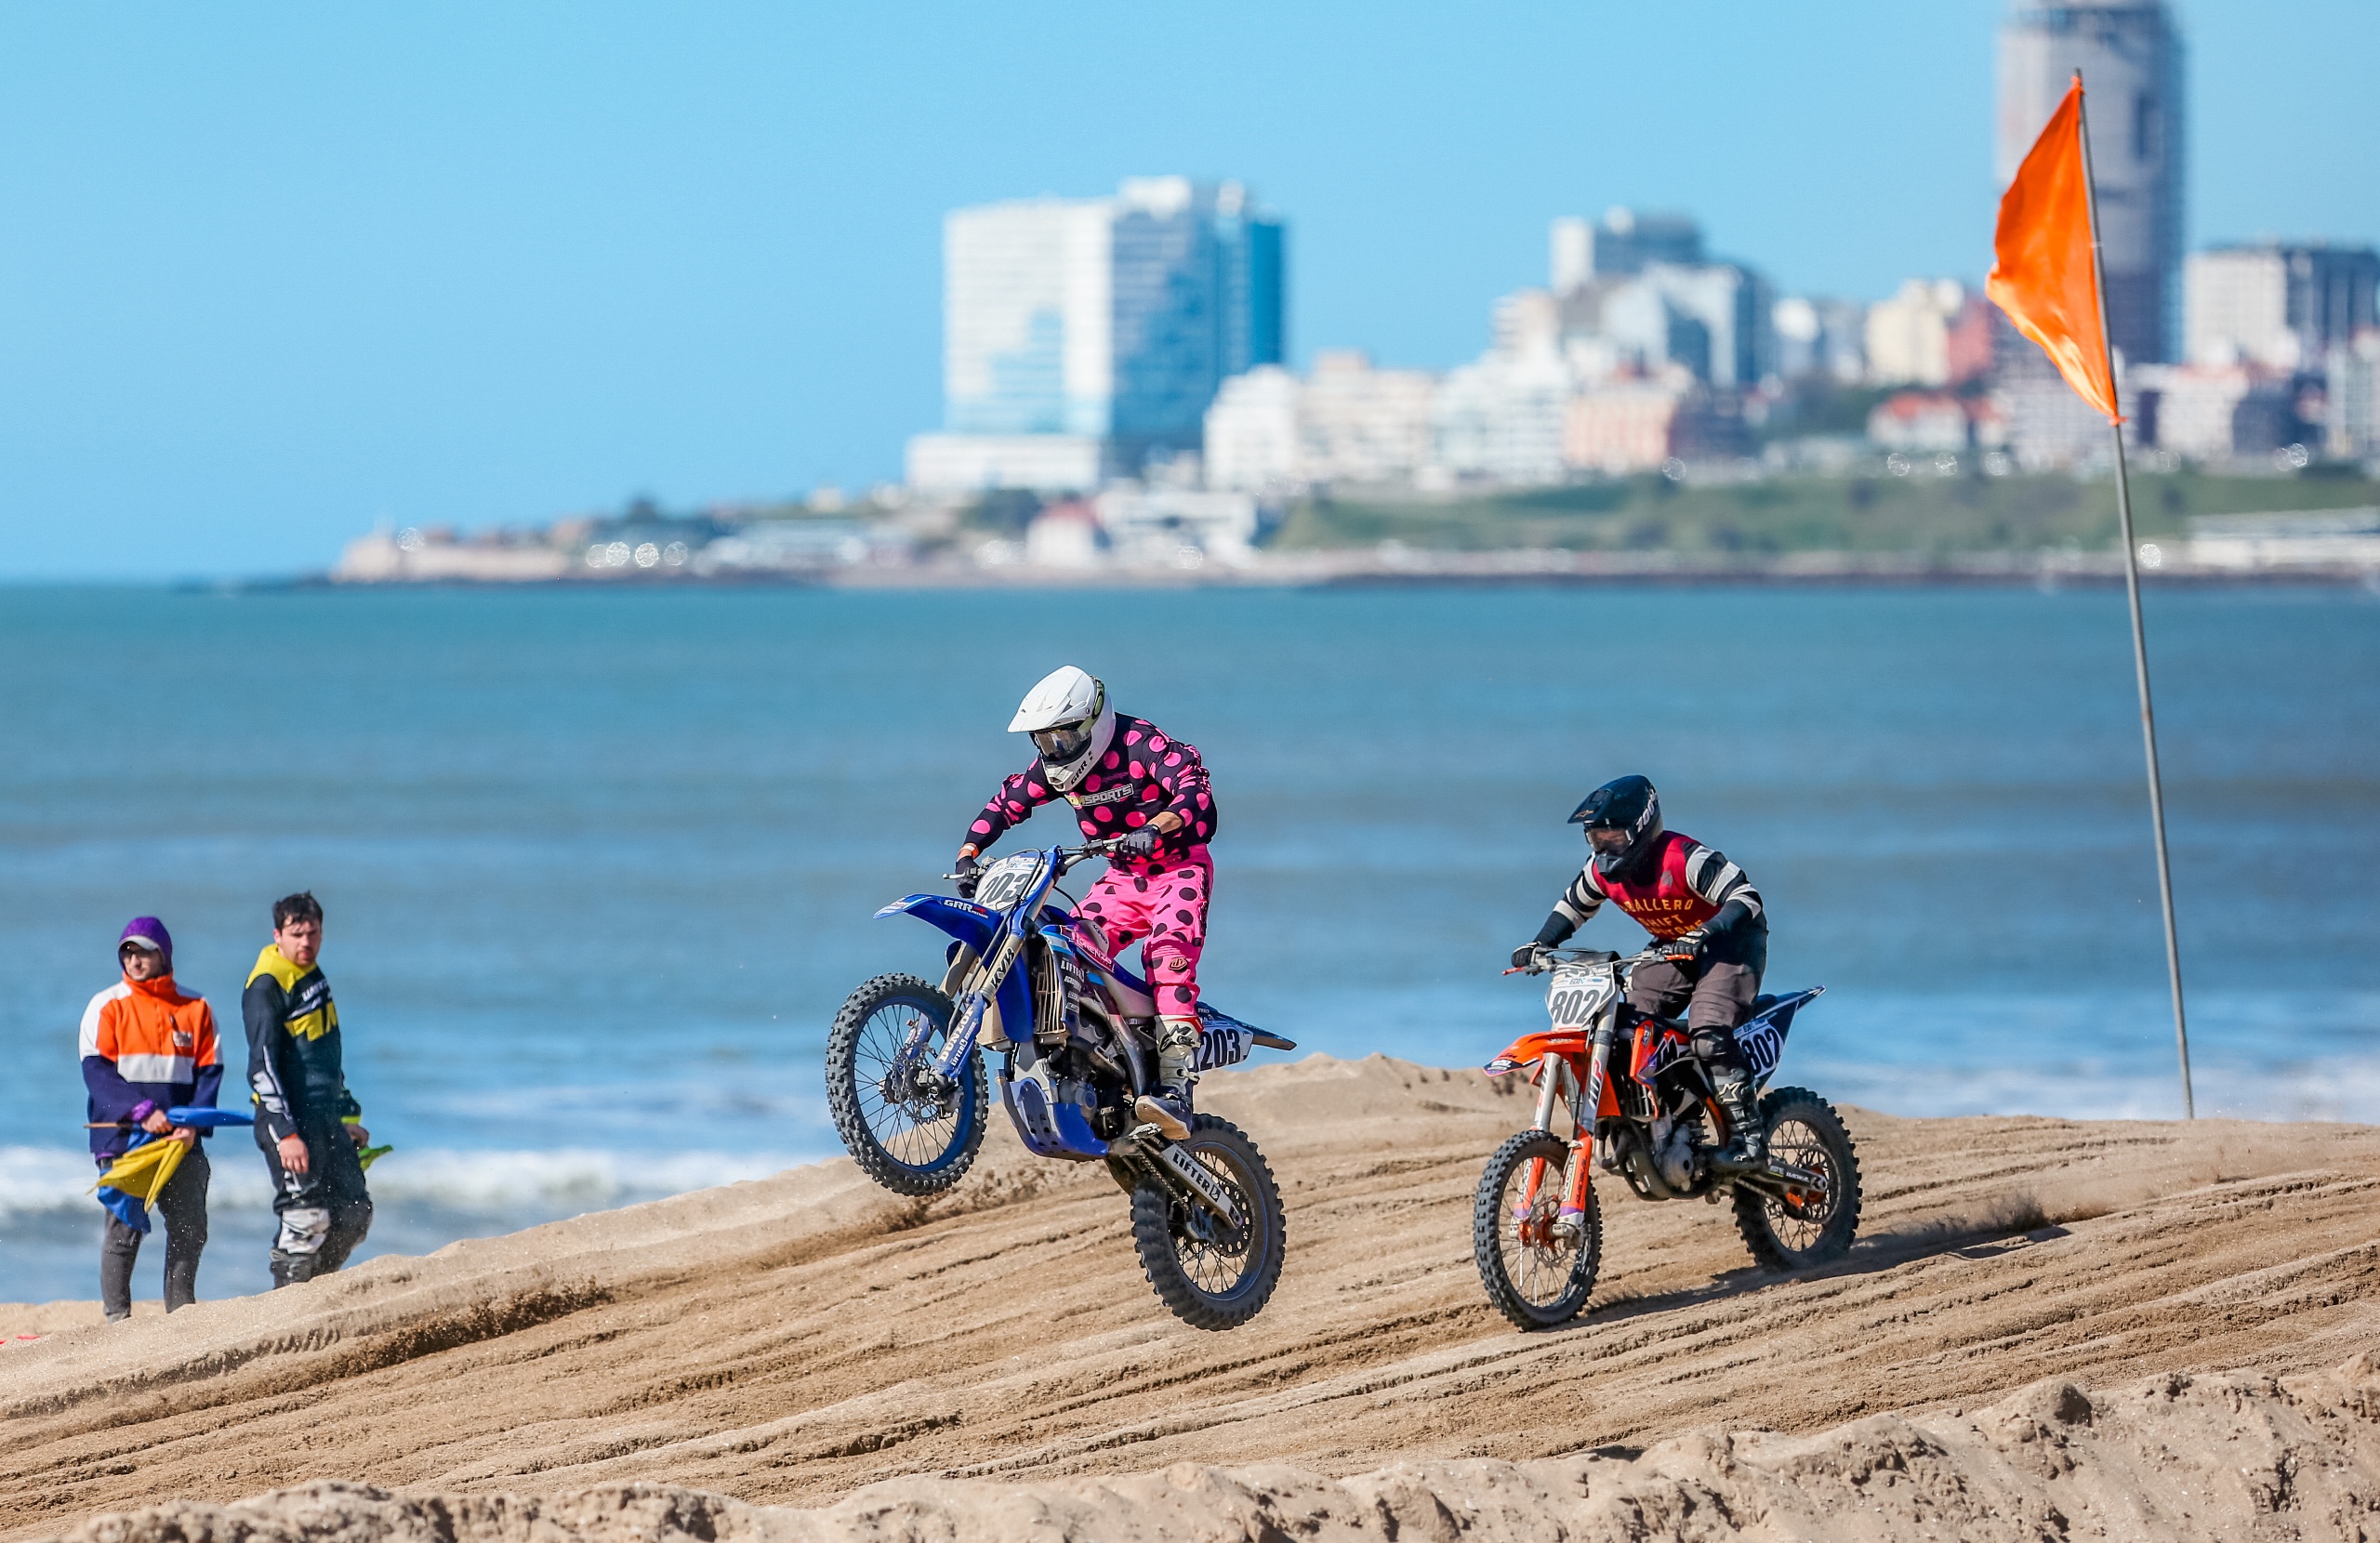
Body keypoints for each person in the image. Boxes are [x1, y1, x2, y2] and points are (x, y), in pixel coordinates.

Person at [955, 666, 1219, 1141]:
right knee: (1065, 947)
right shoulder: (1055, 770)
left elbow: (1196, 793)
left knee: (1168, 954)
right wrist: (969, 852)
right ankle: (1088, 1054)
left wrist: (1154, 828)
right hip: (1121, 879)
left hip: (1178, 870)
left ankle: (1176, 1090)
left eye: (1062, 737)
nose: (1053, 750)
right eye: (1044, 740)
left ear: (1092, 724)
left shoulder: (1144, 745)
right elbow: (1009, 801)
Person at [1514, 774, 1772, 1167]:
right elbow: (1573, 907)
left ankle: (1748, 1139)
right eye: (1596, 840)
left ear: (1641, 829)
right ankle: (1667, 1115)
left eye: (1613, 838)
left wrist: (1706, 931)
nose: (1604, 849)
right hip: (1672, 948)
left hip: (1729, 945)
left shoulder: (1684, 858)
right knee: (1627, 1029)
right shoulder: (1599, 872)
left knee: (1708, 1034)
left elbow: (1746, 897)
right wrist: (1540, 944)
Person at [80, 917, 219, 1321]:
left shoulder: (197, 1007)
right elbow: (97, 1074)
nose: (135, 959)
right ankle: (118, 1321)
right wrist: (142, 1111)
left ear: (164, 954)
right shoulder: (106, 1005)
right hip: (124, 1137)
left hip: (181, 1139)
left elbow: (210, 1074)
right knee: (124, 1231)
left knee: (190, 1228)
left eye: (143, 951)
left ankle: (180, 1313)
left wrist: (193, 1125)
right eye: (128, 951)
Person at [245, 891, 374, 1286]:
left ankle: (315, 1291)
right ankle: (288, 1306)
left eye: (312, 932)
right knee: (306, 1220)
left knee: (354, 1213)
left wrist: (346, 1114)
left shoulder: (312, 973)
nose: (306, 942)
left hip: (325, 1116)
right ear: (277, 935)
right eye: (296, 934)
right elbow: (260, 1066)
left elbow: (325, 1051)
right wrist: (287, 1134)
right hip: (287, 1120)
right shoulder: (267, 985)